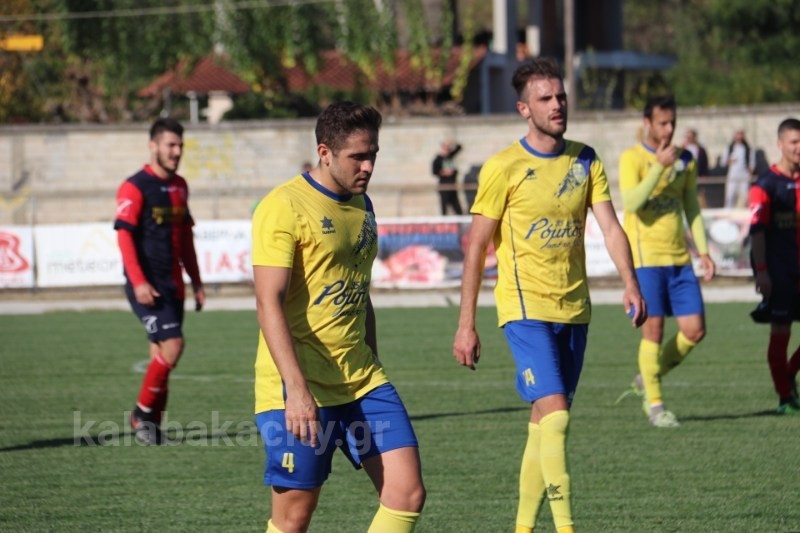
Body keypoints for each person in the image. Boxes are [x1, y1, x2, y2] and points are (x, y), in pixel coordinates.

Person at [452, 58, 646, 533]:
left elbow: (611, 227)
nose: (557, 105)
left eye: (560, 96)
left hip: (575, 309)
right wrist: (466, 324)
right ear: (524, 108)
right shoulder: (504, 167)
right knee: (557, 418)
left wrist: (631, 281)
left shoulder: (585, 159)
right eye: (545, 99)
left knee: (543, 423)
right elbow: (477, 246)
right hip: (525, 310)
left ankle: (522, 528)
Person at [251, 101, 425, 533]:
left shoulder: (363, 204)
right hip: (299, 386)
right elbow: (268, 302)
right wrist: (296, 391)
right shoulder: (284, 206)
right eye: (357, 157)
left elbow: (359, 290)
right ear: (325, 153)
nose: (368, 167)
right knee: (293, 519)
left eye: (373, 155)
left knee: (406, 493)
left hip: (362, 381)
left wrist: (374, 358)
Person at [616, 95, 716, 428]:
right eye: (662, 123)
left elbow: (691, 207)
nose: (669, 128)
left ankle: (647, 377)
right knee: (653, 331)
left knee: (695, 331)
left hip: (680, 260)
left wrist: (703, 250)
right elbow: (632, 202)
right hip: (646, 260)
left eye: (672, 122)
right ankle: (656, 406)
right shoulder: (632, 158)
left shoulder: (686, 159)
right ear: (647, 123)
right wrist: (659, 166)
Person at [114, 117, 205, 445]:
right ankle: (141, 413)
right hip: (146, 285)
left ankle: (152, 428)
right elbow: (124, 237)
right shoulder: (135, 186)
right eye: (170, 145)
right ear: (153, 146)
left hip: (172, 285)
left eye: (180, 145)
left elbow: (186, 239)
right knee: (173, 345)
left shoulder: (180, 186)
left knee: (161, 353)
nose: (176, 151)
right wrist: (139, 282)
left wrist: (196, 282)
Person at [748, 117, 800, 415]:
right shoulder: (766, 185)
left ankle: (790, 371)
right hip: (780, 270)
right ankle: (784, 398)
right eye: (794, 142)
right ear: (780, 144)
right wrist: (762, 271)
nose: (799, 147)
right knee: (781, 329)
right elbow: (756, 232)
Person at [722, 129, 756, 208]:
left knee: (745, 196)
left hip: (744, 175)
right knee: (730, 196)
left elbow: (752, 164)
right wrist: (729, 160)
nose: (739, 137)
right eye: (737, 134)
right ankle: (728, 212)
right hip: (732, 175)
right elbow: (723, 162)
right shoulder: (729, 148)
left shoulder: (748, 149)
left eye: (741, 134)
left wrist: (750, 173)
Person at [431, 140, 464, 215]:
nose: (447, 150)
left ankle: (461, 221)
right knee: (444, 207)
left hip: (452, 185)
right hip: (444, 186)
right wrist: (444, 172)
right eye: (445, 148)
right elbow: (434, 171)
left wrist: (452, 142)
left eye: (448, 148)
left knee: (457, 207)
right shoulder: (438, 159)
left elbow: (459, 147)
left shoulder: (450, 156)